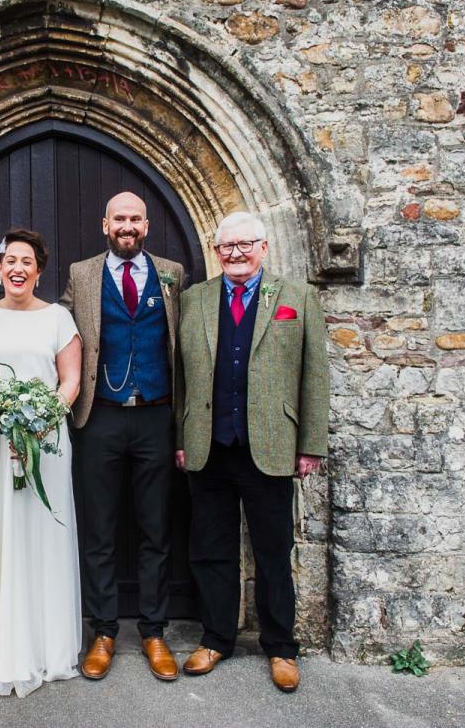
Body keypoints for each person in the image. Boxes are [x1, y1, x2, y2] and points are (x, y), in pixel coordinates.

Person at [175, 211, 329, 693]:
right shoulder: (194, 299)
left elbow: (315, 374)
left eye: (245, 245)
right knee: (211, 550)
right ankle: (216, 638)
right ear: (216, 251)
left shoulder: (296, 297)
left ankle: (281, 647)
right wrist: (181, 438)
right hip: (209, 445)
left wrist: (311, 444)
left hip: (272, 444)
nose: (236, 253)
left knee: (273, 551)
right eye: (227, 246)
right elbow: (181, 376)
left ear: (263, 247)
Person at [59, 191, 185, 682]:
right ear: (104, 224)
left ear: (146, 226)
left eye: (135, 219)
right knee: (100, 531)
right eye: (119, 219)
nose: (127, 226)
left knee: (156, 530)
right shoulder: (82, 274)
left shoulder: (172, 273)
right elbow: (59, 332)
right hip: (100, 418)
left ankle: (154, 632)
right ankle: (104, 632)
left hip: (156, 416)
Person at [0, 228, 83, 698]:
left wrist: (40, 422)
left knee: (39, 533)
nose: (18, 268)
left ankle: (45, 645)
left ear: (39, 271)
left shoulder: (59, 320)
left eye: (27, 261)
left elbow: (70, 382)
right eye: (10, 260)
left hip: (43, 441)